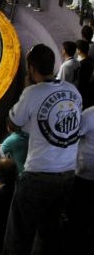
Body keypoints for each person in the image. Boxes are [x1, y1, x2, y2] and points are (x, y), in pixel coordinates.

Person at [4, 43, 82, 254]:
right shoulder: (73, 91)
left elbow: (13, 124)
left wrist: (28, 88)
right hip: (68, 175)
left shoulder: (31, 93)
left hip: (38, 176)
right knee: (47, 233)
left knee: (18, 237)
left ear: (30, 68)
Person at [67, 106, 94, 251]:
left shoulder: (89, 115)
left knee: (78, 215)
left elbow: (72, 135)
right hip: (86, 172)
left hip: (84, 174)